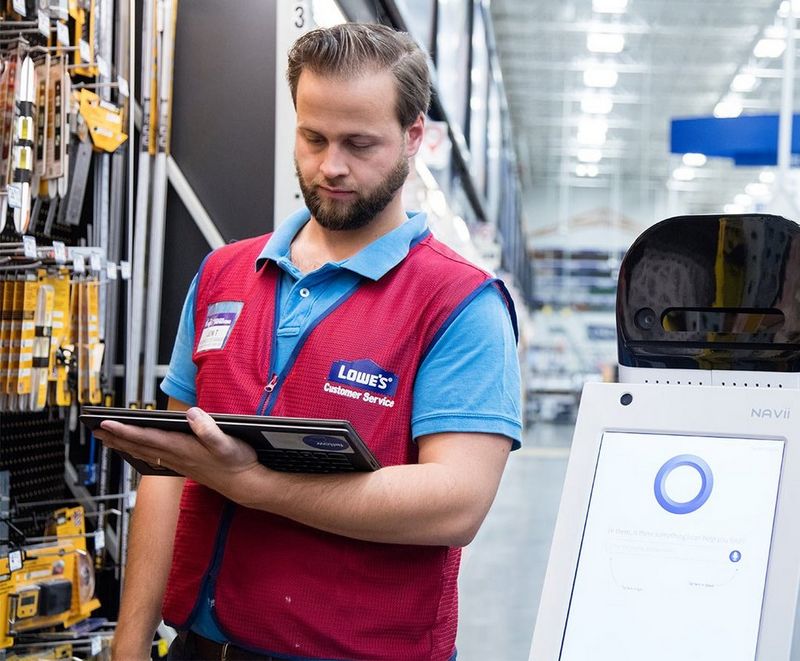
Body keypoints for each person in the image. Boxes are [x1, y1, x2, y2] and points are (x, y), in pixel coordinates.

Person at [98, 22, 521, 661]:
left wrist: (255, 485)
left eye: (360, 144)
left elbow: (455, 505)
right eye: (313, 138)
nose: (331, 167)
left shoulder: (459, 303)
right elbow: (173, 467)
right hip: (199, 648)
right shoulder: (224, 274)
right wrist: (130, 643)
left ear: (413, 136)